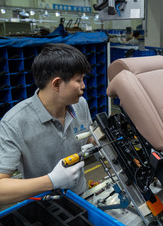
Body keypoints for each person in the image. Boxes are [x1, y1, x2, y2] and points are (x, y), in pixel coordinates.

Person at [0, 44, 93, 205]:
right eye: (79, 80)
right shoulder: (14, 123)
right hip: (43, 204)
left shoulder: (80, 104)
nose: (83, 86)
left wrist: (97, 141)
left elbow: (89, 139)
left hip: (81, 197)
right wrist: (51, 181)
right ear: (56, 84)